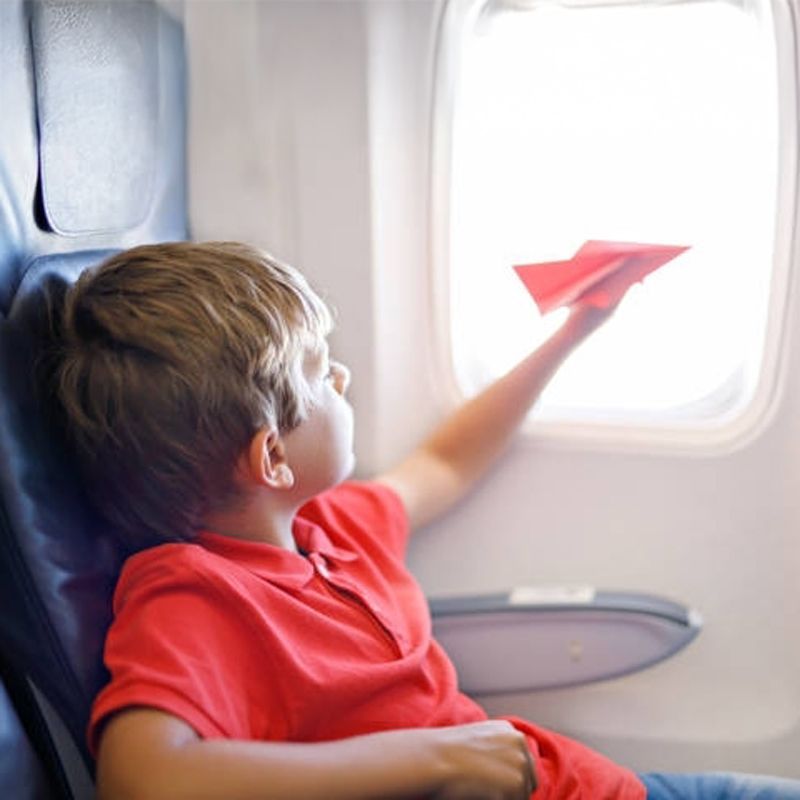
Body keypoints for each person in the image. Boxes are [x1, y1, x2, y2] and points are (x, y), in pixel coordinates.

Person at [55, 241, 800, 800]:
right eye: (321, 370)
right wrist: (439, 755)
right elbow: (144, 779)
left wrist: (575, 330)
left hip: (589, 783)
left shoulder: (330, 529)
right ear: (272, 457)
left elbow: (445, 463)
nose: (343, 376)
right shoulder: (193, 595)